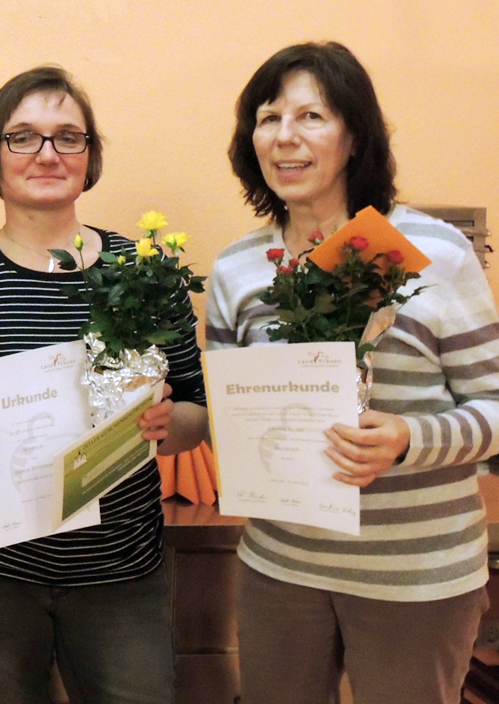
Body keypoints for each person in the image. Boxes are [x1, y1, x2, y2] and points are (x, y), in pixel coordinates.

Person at [206, 41, 498, 704]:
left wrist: (407, 438)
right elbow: (230, 418)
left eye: (311, 116)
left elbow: (493, 404)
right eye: (268, 117)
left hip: (414, 576)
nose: (285, 136)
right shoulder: (237, 269)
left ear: (356, 135)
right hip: (280, 568)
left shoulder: (433, 249)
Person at [0, 66, 209, 704]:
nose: (47, 153)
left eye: (68, 137)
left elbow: (197, 412)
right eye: (22, 137)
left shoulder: (147, 274)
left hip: (121, 571)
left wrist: (165, 425)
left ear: (89, 156)